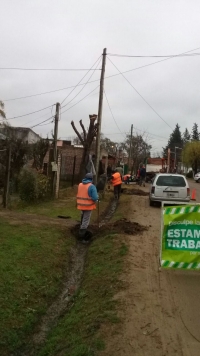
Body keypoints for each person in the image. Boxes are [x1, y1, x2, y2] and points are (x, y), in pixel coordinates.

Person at [76, 173, 98, 243]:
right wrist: (97, 197)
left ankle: (81, 228)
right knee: (86, 220)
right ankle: (81, 236)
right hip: (88, 206)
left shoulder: (80, 185)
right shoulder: (91, 186)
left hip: (81, 205)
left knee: (83, 217)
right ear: (91, 179)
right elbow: (95, 198)